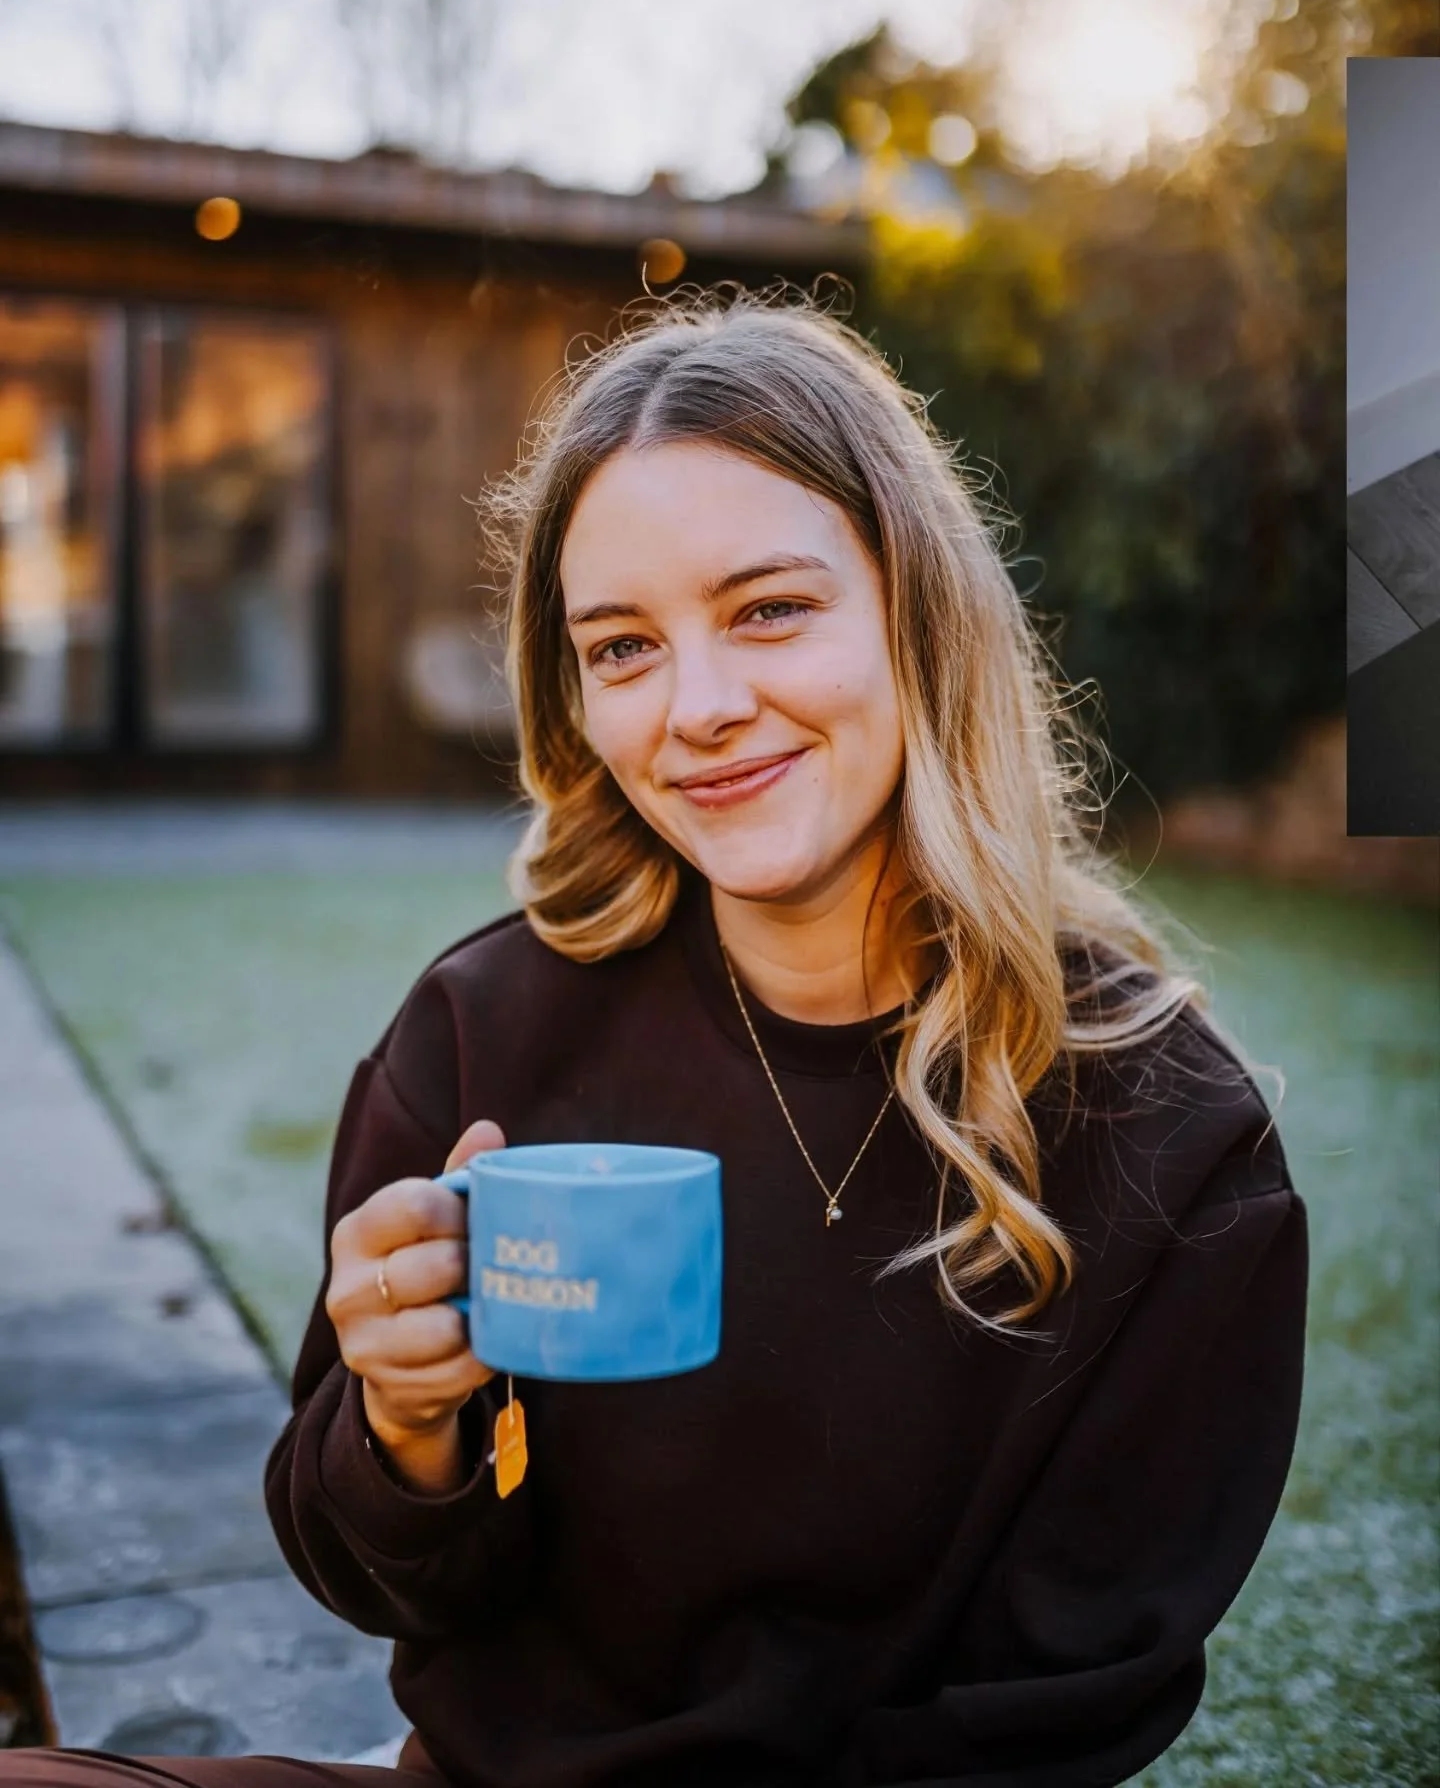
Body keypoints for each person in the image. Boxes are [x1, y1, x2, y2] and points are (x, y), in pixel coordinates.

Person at [4, 291, 1308, 1787]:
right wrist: (407, 1416)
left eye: (769, 611)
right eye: (621, 647)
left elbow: (1060, 1719)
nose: (697, 708)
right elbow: (377, 1574)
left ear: (920, 614)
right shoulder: (484, 1030)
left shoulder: (1172, 1143)